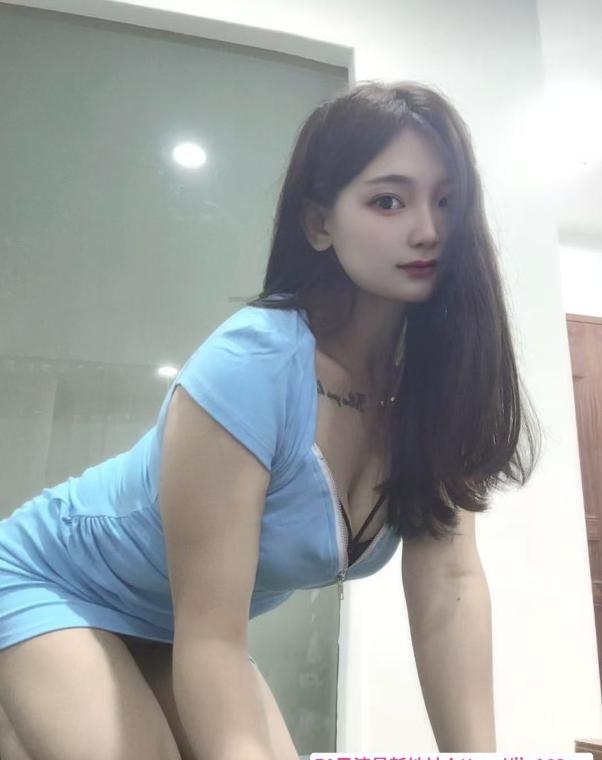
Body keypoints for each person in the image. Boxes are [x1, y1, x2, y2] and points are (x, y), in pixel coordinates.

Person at [0, 80, 540, 760]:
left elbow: (450, 587)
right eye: (388, 200)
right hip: (54, 581)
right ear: (318, 223)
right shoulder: (251, 365)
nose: (428, 229)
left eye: (447, 201)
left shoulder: (437, 387)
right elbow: (213, 639)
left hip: (181, 627)